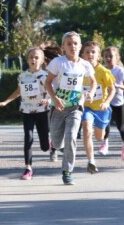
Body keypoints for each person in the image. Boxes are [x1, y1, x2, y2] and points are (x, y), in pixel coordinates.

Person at [0, 47, 54, 180]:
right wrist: (6, 102)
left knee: (44, 146)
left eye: (37, 57)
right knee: (28, 138)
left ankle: (49, 143)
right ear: (27, 60)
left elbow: (51, 92)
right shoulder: (22, 76)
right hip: (27, 111)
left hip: (42, 111)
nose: (33, 59)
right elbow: (18, 91)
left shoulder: (46, 76)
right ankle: (28, 168)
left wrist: (48, 100)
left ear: (42, 60)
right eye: (31, 57)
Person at [45, 31, 96, 185]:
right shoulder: (58, 63)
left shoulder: (85, 65)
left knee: (71, 137)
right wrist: (55, 98)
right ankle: (58, 148)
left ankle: (67, 171)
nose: (72, 46)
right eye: (69, 43)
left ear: (80, 46)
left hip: (75, 107)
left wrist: (91, 93)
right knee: (57, 141)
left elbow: (93, 82)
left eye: (75, 43)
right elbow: (48, 83)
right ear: (63, 47)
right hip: (58, 108)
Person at [80, 41, 116, 174]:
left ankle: (103, 140)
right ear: (82, 54)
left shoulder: (103, 71)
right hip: (86, 107)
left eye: (93, 52)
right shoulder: (79, 69)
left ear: (98, 55)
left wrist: (106, 102)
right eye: (87, 52)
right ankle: (91, 161)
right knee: (86, 129)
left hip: (101, 108)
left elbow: (113, 90)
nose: (90, 54)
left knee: (99, 137)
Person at [102, 46, 124, 161]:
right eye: (106, 56)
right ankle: (105, 143)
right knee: (106, 123)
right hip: (106, 101)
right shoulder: (103, 70)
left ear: (117, 57)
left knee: (120, 126)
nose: (108, 58)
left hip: (118, 101)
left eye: (111, 56)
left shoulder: (120, 71)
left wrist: (118, 86)